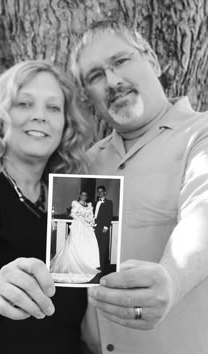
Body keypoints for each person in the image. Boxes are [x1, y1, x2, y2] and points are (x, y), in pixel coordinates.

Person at [70, 19, 208, 354]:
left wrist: (172, 280)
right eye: (96, 76)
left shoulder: (199, 134)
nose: (112, 81)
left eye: (120, 61)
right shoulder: (84, 164)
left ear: (153, 61)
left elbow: (203, 212)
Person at [0, 60, 91, 354]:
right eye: (24, 103)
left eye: (53, 108)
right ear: (1, 115)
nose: (39, 116)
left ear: (66, 124)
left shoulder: (71, 198)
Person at [50, 190, 101, 283]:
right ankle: (76, 265)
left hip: (87, 228)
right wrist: (82, 219)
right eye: (82, 195)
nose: (84, 196)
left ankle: (88, 264)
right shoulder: (75, 203)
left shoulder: (89, 205)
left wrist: (90, 220)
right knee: (77, 244)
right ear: (79, 195)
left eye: (85, 195)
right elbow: (73, 213)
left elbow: (91, 215)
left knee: (89, 244)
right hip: (79, 226)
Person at [93, 185, 113, 274]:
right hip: (95, 227)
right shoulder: (95, 203)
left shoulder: (109, 202)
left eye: (101, 191)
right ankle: (95, 265)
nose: (100, 193)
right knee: (95, 246)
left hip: (103, 227)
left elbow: (109, 215)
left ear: (105, 192)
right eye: (98, 191)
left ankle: (101, 267)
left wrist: (106, 227)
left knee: (103, 247)